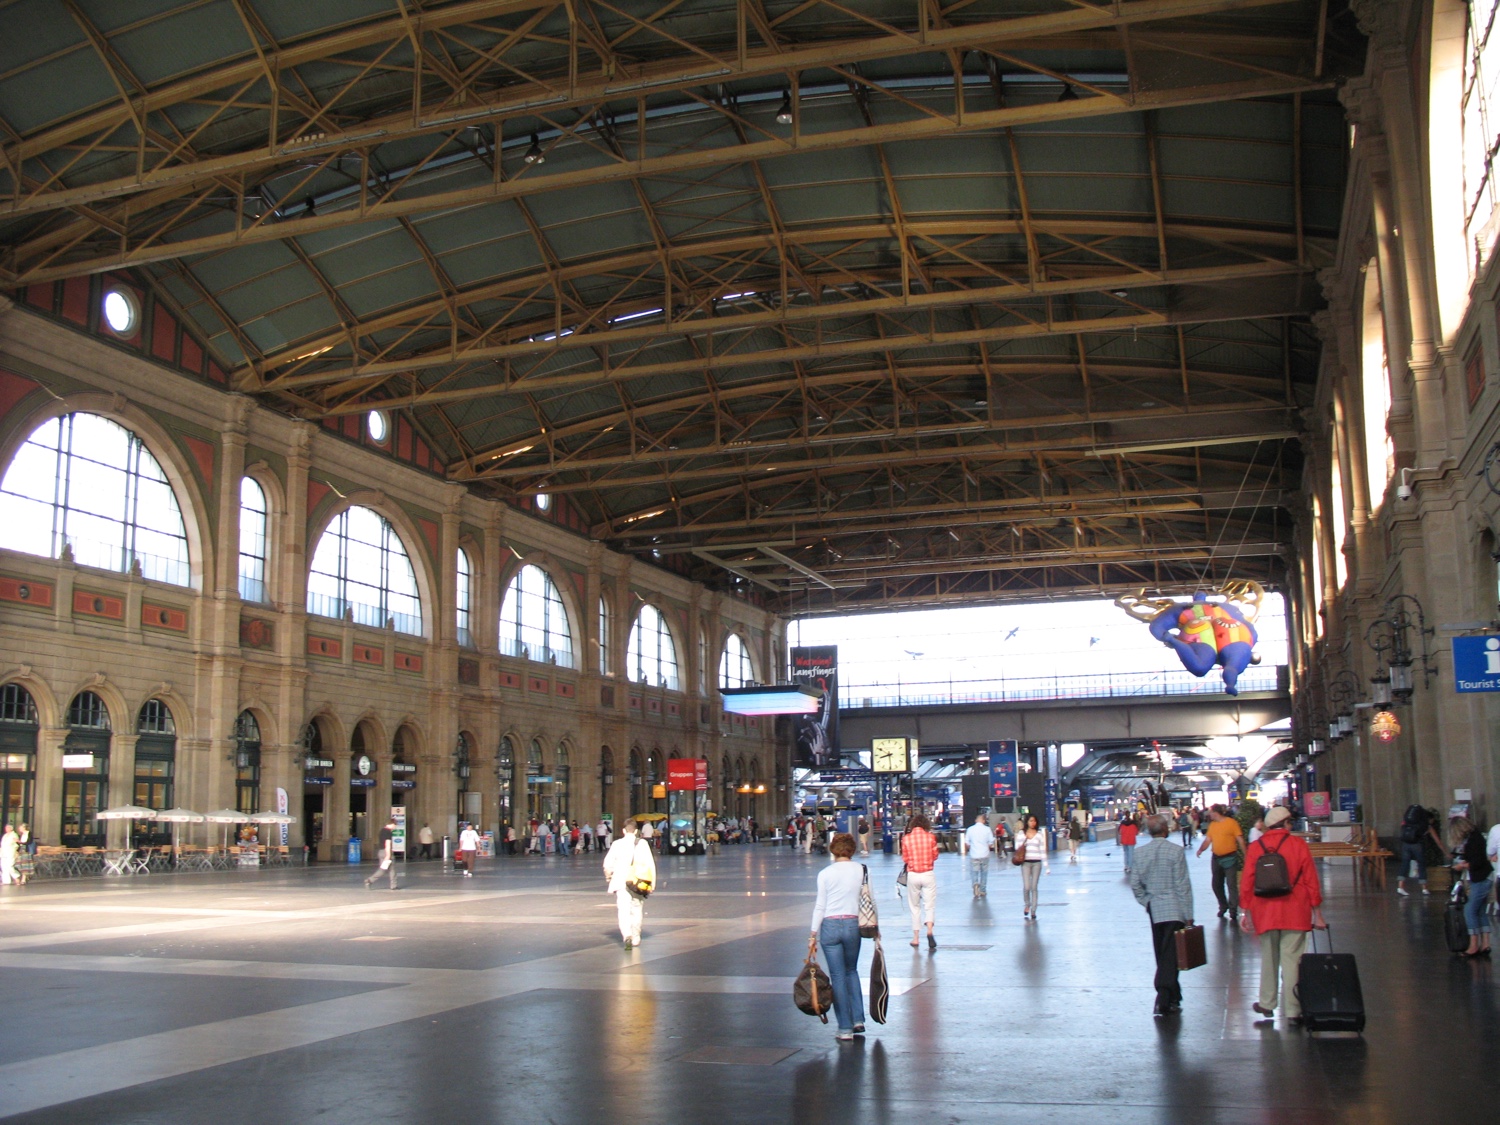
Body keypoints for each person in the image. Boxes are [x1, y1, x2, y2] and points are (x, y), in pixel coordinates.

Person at [1240, 806, 1323, 1025]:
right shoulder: (1298, 845)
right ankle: (1294, 1010)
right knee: (1292, 960)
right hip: (1296, 910)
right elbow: (1311, 880)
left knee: (1268, 957)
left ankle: (1267, 1004)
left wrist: (1244, 911)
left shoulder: (1256, 847)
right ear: (1286, 824)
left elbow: (1247, 880)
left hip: (1264, 911)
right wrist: (1317, 912)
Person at [1127, 814, 1194, 1016]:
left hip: (1155, 909)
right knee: (1171, 954)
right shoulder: (1176, 852)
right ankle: (1164, 995)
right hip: (1175, 909)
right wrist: (1189, 914)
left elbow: (1135, 884)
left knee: (1162, 952)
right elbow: (1183, 885)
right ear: (1165, 830)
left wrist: (1146, 901)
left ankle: (1174, 995)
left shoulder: (1140, 853)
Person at [810, 832, 868, 1041]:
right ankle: (858, 1019)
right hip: (853, 924)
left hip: (830, 926)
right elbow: (869, 900)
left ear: (833, 850)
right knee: (851, 970)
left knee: (837, 976)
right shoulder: (862, 870)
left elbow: (820, 906)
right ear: (852, 850)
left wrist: (813, 933)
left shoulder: (825, 873)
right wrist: (876, 930)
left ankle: (844, 1028)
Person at [603, 818, 656, 949]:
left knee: (623, 910)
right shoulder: (642, 843)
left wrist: (609, 876)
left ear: (623, 831)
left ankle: (627, 935)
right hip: (638, 882)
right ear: (637, 831)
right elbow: (650, 864)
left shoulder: (616, 844)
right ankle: (636, 936)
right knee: (637, 909)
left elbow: (607, 865)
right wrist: (652, 883)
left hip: (621, 881)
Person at [1450, 816, 1493, 957]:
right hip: (1485, 876)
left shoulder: (1473, 841)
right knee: (1480, 911)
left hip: (1481, 878)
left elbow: (1476, 861)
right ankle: (1485, 944)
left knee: (1469, 910)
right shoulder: (1476, 836)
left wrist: (1461, 865)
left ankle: (1474, 944)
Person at [1196, 804, 1245, 921]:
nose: (1209, 814)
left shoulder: (1231, 823)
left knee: (1231, 884)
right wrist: (1201, 849)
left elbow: (1240, 840)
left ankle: (1233, 910)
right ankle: (1223, 905)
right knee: (1216, 884)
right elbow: (1208, 840)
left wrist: (1246, 855)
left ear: (1216, 813)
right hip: (1216, 858)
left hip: (1230, 857)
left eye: (1211, 812)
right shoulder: (1212, 825)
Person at [901, 813, 939, 949]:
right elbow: (935, 855)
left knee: (914, 906)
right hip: (928, 874)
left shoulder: (906, 839)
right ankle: (929, 930)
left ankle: (916, 938)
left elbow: (905, 858)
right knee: (929, 905)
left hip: (913, 875)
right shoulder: (931, 838)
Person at [1396, 802, 1443, 896]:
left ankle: (1400, 887)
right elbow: (1437, 841)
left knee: (1405, 864)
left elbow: (1402, 827)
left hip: (1406, 843)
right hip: (1417, 845)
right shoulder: (1426, 825)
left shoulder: (1409, 821)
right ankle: (1424, 888)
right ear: (1430, 819)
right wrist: (1445, 852)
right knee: (1421, 864)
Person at [1015, 813, 1049, 920]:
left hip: (1037, 862)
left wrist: (1046, 865)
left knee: (1034, 887)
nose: (1032, 823)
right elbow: (1017, 846)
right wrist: (1023, 842)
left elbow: (1042, 850)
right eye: (1030, 821)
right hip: (1025, 862)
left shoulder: (1039, 834)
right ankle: (1027, 904)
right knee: (1027, 886)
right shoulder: (1022, 833)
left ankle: (1034, 910)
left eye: (1034, 821)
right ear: (1027, 822)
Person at [363, 818, 399, 890]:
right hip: (386, 852)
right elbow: (387, 843)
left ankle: (369, 880)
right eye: (395, 825)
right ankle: (393, 885)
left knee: (382, 870)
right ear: (392, 824)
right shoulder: (388, 832)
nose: (395, 827)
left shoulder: (382, 831)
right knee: (392, 869)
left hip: (381, 852)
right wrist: (388, 855)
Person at [965, 812, 993, 897]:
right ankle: (983, 890)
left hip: (974, 854)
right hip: (984, 854)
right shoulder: (987, 829)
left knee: (974, 872)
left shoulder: (970, 829)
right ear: (984, 821)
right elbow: (991, 842)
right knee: (984, 872)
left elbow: (966, 843)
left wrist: (971, 849)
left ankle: (975, 884)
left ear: (976, 820)